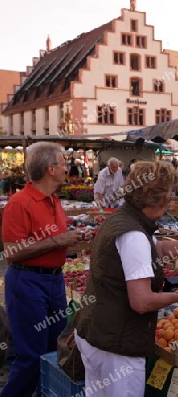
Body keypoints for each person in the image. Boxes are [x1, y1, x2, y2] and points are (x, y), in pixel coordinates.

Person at [73, 161, 178, 396]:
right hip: (117, 346)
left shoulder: (124, 218)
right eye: (169, 195)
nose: (170, 201)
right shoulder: (133, 234)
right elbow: (142, 302)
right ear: (158, 199)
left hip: (97, 333)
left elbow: (159, 249)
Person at [1, 142, 93, 397]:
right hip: (27, 283)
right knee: (32, 356)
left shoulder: (53, 200)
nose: (67, 167)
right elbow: (11, 252)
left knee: (56, 350)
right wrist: (59, 240)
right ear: (50, 169)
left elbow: (56, 239)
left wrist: (77, 237)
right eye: (63, 163)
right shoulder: (19, 203)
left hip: (53, 282)